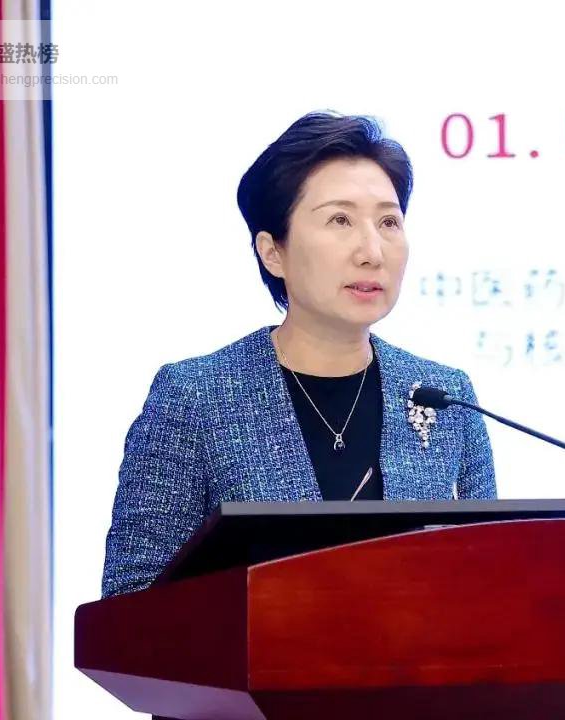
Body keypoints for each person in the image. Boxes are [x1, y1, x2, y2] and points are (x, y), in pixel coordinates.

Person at [101, 112, 497, 597]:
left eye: (388, 222)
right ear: (273, 252)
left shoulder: (448, 398)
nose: (372, 251)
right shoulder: (195, 398)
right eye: (340, 220)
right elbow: (131, 602)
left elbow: (488, 584)